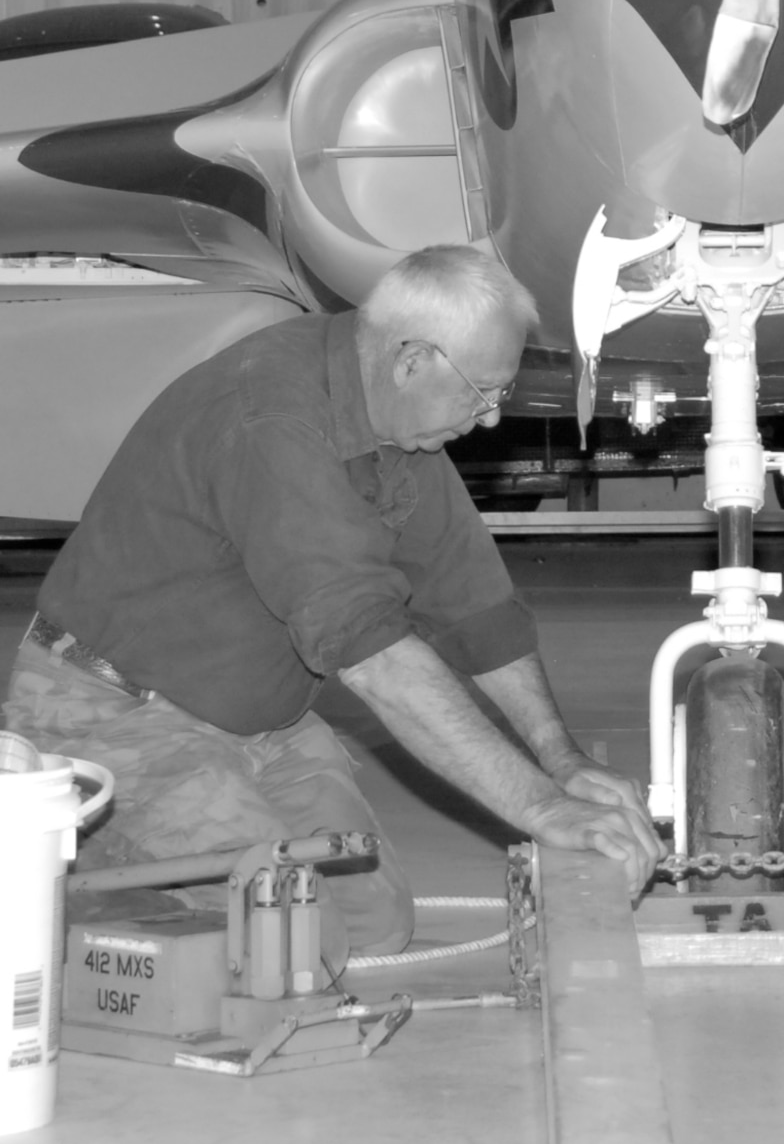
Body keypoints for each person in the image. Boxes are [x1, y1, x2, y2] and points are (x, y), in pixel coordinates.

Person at [4, 244, 660, 970]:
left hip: (260, 726)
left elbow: (481, 613)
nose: (488, 421)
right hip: (117, 718)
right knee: (291, 951)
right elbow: (375, 659)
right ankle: (46, 886)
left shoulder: (398, 422)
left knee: (374, 926)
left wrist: (561, 762)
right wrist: (541, 808)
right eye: (482, 393)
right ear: (412, 360)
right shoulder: (271, 418)